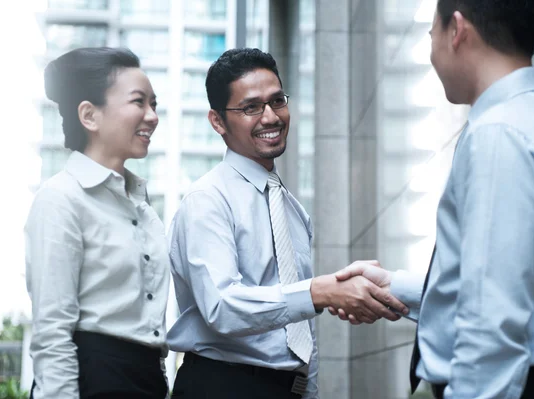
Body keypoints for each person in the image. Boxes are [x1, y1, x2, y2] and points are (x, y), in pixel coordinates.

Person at [332, 1, 534, 398]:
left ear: (456, 30)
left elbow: (491, 323)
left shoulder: (501, 135)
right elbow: (515, 281)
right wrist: (395, 285)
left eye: (431, 33)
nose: (431, 48)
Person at [166, 48, 409, 399]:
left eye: (277, 100)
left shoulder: (290, 208)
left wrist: (306, 390)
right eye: (251, 107)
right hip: (221, 386)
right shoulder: (207, 199)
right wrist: (320, 291)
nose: (271, 117)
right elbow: (223, 307)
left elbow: (298, 328)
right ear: (218, 121)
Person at [25, 47, 170, 399]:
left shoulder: (144, 209)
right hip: (92, 381)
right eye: (139, 102)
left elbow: (149, 322)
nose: (152, 116)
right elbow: (52, 332)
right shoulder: (61, 198)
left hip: (147, 383)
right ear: (89, 115)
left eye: (154, 104)